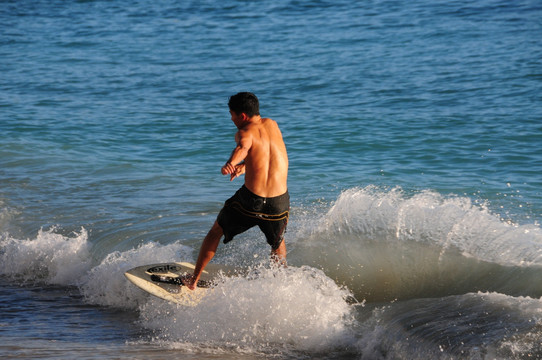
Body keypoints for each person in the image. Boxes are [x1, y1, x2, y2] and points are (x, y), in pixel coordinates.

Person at [182, 92, 289, 290]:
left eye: (231, 114)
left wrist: (231, 163)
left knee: (215, 232)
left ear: (243, 116)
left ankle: (193, 281)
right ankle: (280, 287)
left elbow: (243, 146)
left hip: (251, 201)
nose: (231, 119)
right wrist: (245, 167)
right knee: (277, 243)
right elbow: (266, 156)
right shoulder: (273, 125)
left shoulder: (244, 132)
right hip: (278, 203)